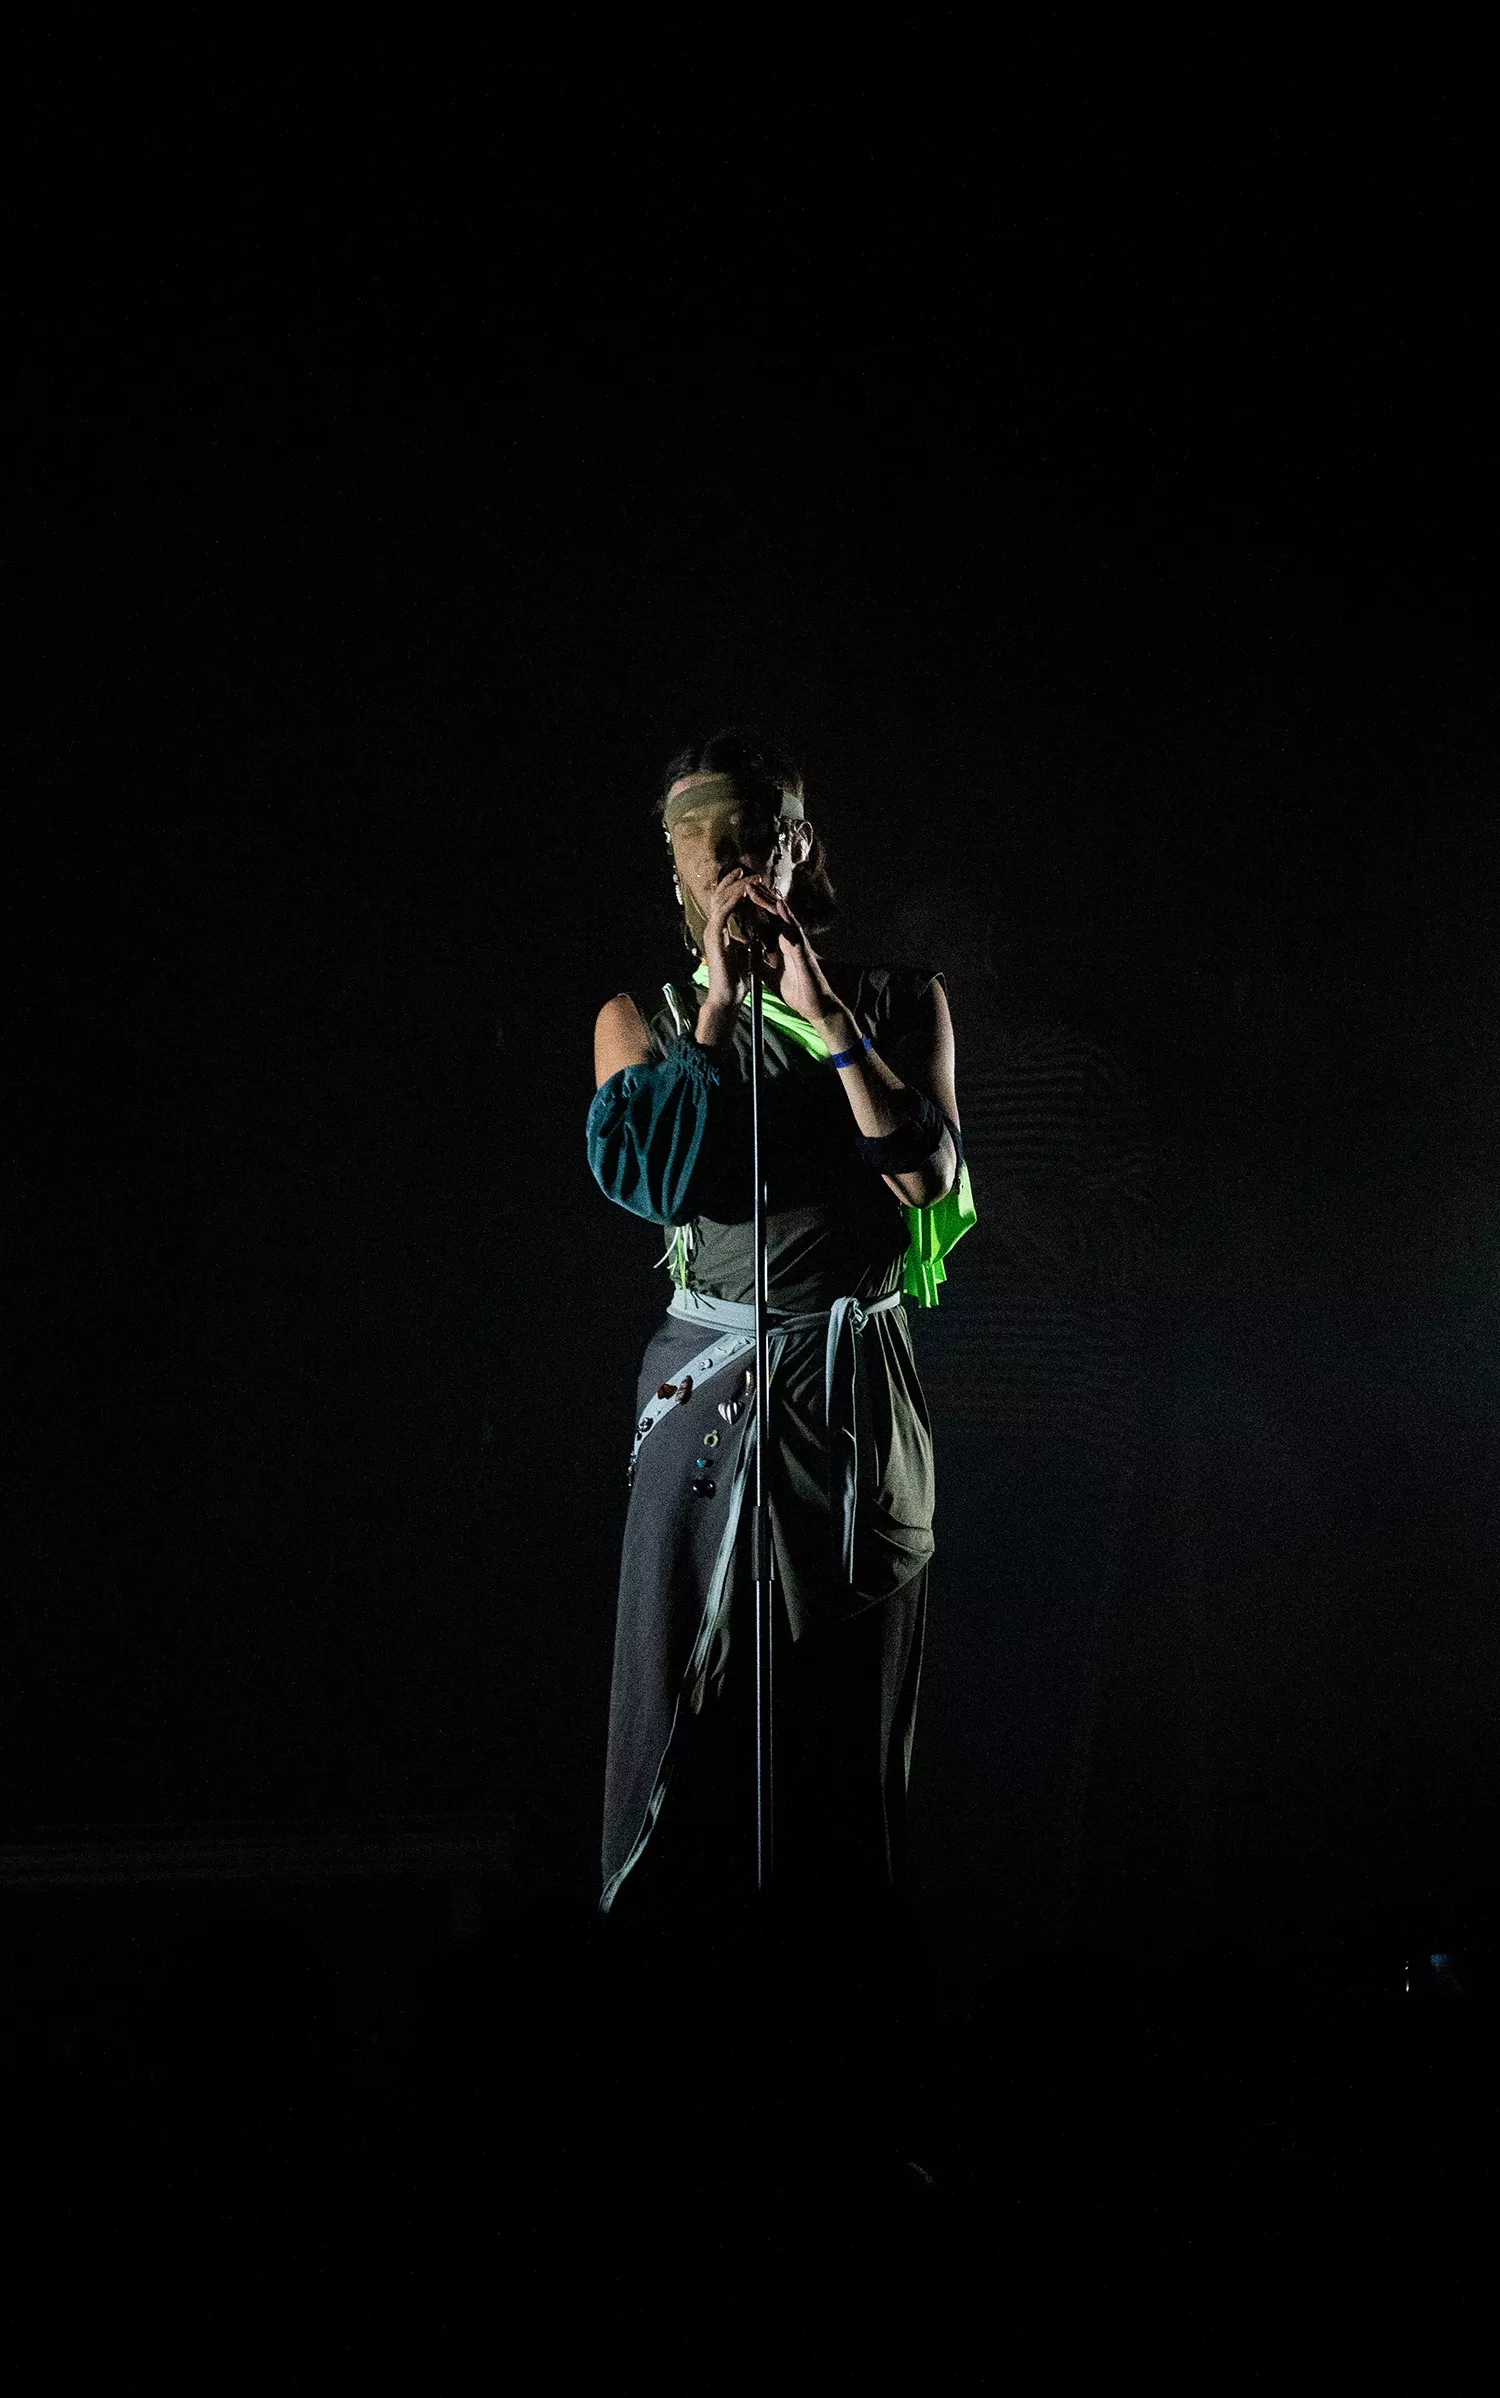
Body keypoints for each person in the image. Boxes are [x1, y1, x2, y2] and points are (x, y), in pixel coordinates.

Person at [586, 730, 972, 1917]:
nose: (735, 871)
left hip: (852, 1407)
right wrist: (718, 1005)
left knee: (844, 1743)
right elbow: (659, 1179)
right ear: (676, 868)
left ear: (801, 850)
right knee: (701, 1729)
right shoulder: (641, 1021)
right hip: (710, 1401)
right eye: (706, 849)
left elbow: (926, 1176)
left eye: (758, 843)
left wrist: (822, 1011)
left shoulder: (901, 1002)